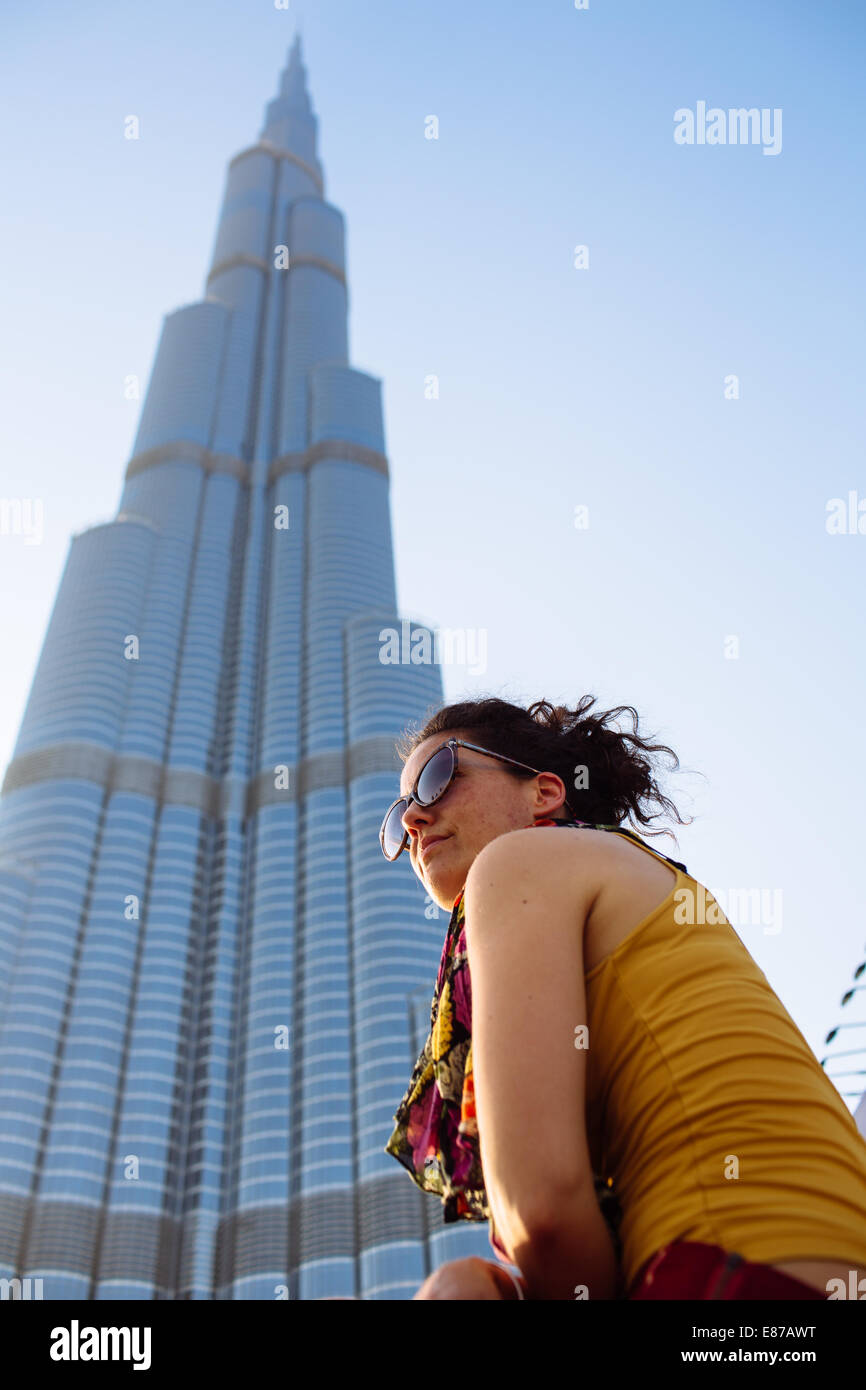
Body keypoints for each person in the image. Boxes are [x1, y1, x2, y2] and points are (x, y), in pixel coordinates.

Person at [382, 696, 866, 1300]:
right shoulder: (627, 871)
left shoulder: (520, 864)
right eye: (400, 811)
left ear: (545, 793)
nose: (413, 820)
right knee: (462, 1286)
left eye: (438, 778)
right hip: (804, 1271)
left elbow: (542, 1212)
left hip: (738, 1282)